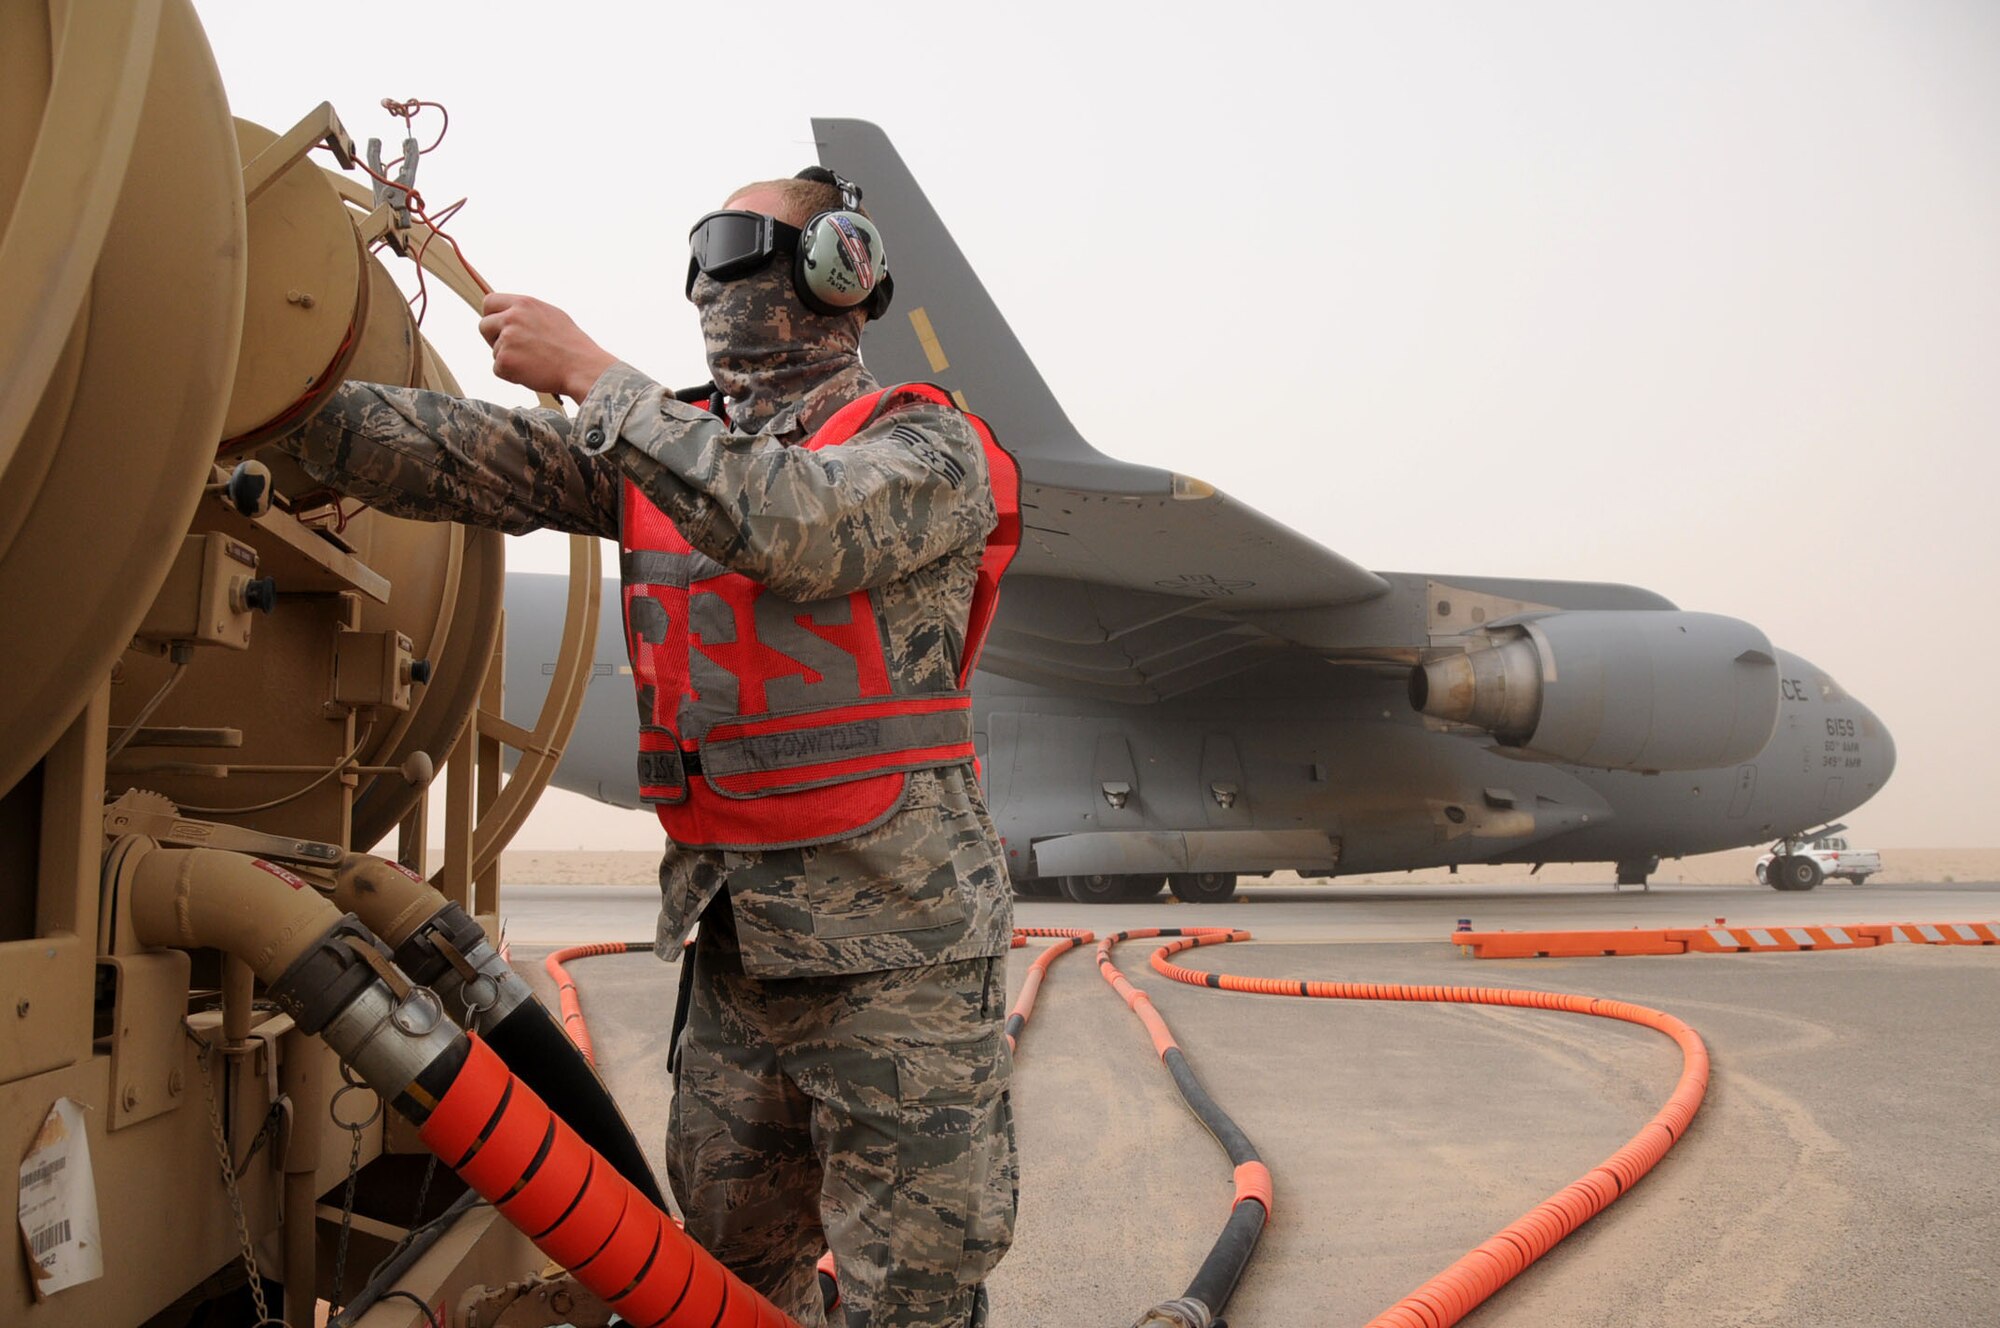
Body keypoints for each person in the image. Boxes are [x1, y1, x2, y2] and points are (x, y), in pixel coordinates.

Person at [276, 168, 1019, 1328]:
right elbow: (464, 454)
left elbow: (797, 524)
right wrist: (276, 400)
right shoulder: (670, 446)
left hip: (899, 958)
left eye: (738, 241)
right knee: (716, 1279)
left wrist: (591, 374)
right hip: (736, 951)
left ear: (840, 266)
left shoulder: (927, 447)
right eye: (701, 247)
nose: (713, 277)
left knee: (911, 1296)